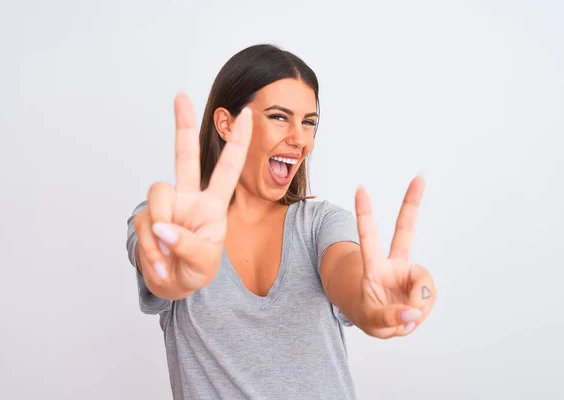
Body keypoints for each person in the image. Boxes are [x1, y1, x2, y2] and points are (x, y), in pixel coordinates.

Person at [125, 43, 437, 399]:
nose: (299, 138)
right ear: (226, 123)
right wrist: (178, 272)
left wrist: (375, 302)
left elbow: (347, 275)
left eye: (309, 123)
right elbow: (163, 272)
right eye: (278, 116)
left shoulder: (320, 224)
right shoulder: (174, 224)